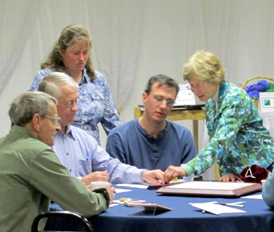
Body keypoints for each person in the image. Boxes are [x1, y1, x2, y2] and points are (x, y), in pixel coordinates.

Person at [0, 91, 115, 232]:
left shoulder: (4, 145)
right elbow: (83, 205)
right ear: (37, 121)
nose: (58, 127)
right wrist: (104, 196)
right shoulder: (37, 153)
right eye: (54, 120)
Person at [164, 51, 274, 183]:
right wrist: (227, 170)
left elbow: (221, 141)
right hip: (242, 173)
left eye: (199, 85)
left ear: (214, 78)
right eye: (192, 85)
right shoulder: (211, 103)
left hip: (263, 169)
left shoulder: (235, 98)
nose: (195, 90)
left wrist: (189, 167)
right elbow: (218, 140)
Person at [38, 72, 165, 185]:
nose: (76, 108)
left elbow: (110, 167)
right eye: (70, 103)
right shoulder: (38, 140)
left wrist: (143, 175)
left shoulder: (83, 138)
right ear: (50, 104)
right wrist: (83, 182)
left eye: (77, 101)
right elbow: (46, 182)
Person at [28, 24, 120, 144]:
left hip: (90, 153)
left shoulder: (98, 80)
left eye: (85, 52)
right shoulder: (46, 78)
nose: (82, 58)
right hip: (57, 148)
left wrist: (123, 147)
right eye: (76, 53)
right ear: (62, 52)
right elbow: (29, 117)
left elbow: (112, 122)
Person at [106, 74, 197, 172]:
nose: (163, 106)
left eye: (169, 102)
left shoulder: (183, 137)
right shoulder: (119, 137)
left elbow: (191, 179)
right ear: (144, 97)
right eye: (159, 99)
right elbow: (115, 179)